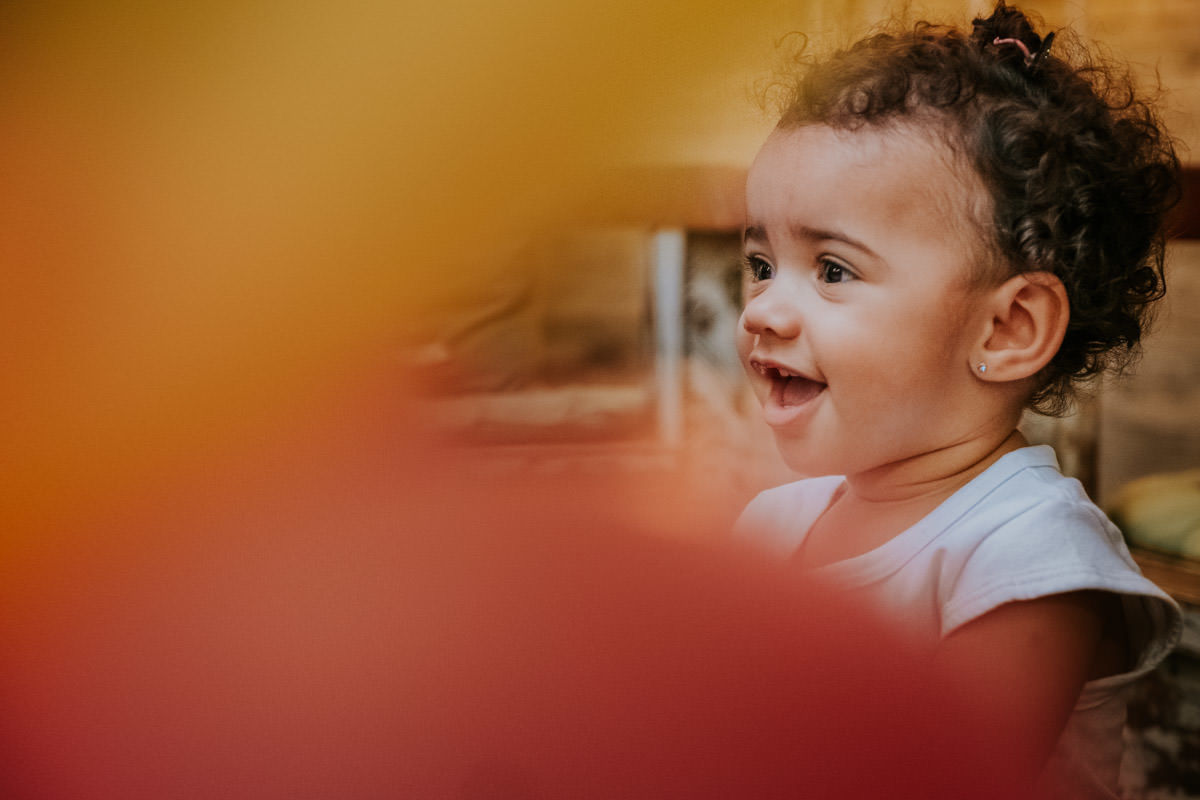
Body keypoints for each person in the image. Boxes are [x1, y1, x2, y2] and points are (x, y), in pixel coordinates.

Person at [733, 3, 1183, 797]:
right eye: (762, 262)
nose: (761, 309)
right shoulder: (772, 526)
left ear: (1007, 327)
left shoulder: (1027, 557)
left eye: (833, 270)